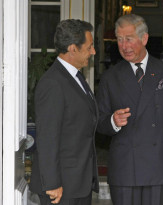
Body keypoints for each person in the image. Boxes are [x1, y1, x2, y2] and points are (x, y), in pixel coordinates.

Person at [96, 14, 163, 205]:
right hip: (124, 168)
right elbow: (98, 122)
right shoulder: (110, 77)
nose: (124, 46)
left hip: (159, 165)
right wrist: (113, 121)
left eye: (129, 39)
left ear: (144, 38)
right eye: (120, 40)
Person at [29, 19, 99, 205]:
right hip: (61, 188)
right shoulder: (53, 83)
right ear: (72, 49)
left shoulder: (76, 76)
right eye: (89, 47)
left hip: (78, 183)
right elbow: (47, 137)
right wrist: (52, 183)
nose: (93, 52)